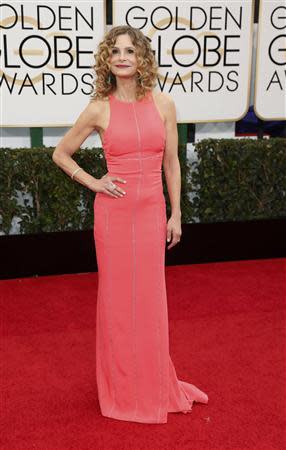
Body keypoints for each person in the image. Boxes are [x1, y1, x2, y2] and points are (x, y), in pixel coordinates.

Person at [52, 25, 208, 424]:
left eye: (130, 51)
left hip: (152, 211)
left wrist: (176, 213)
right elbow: (61, 153)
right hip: (114, 217)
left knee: (151, 303)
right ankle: (122, 390)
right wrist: (94, 182)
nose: (123, 57)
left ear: (142, 59)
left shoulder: (165, 104)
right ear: (108, 59)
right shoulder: (98, 108)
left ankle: (153, 383)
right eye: (116, 51)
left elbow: (171, 162)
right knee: (119, 305)